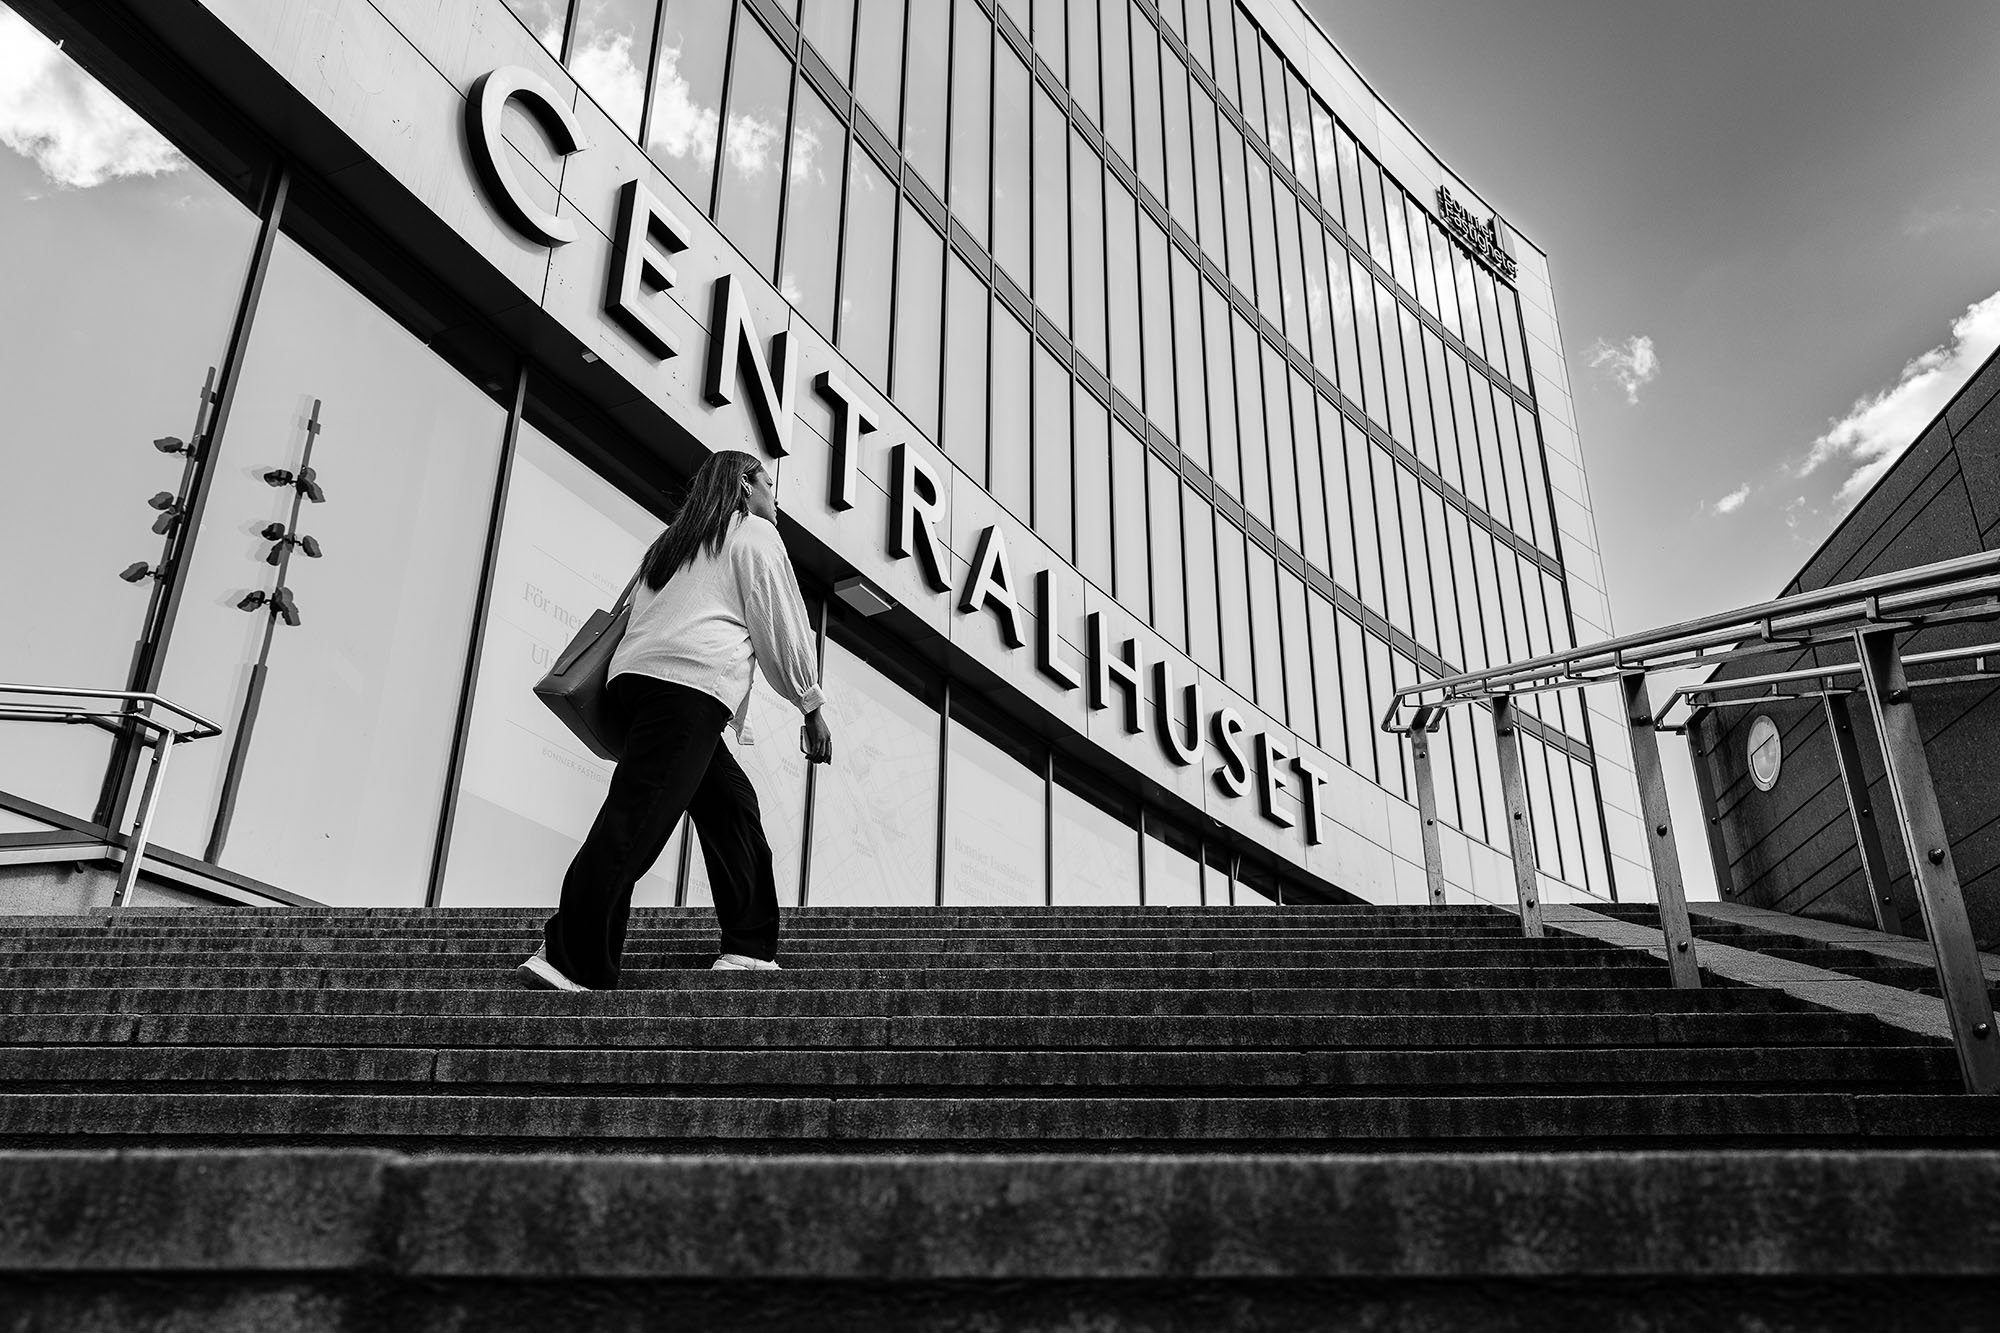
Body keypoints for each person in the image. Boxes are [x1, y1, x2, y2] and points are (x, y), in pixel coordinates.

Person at [519, 450, 832, 991]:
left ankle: (749, 948)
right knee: (636, 821)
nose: (773, 496)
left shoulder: (674, 544)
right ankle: (569, 957)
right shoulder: (754, 536)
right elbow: (782, 625)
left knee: (731, 805)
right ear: (744, 484)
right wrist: (811, 704)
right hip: (686, 692)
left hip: (638, 687)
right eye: (768, 483)